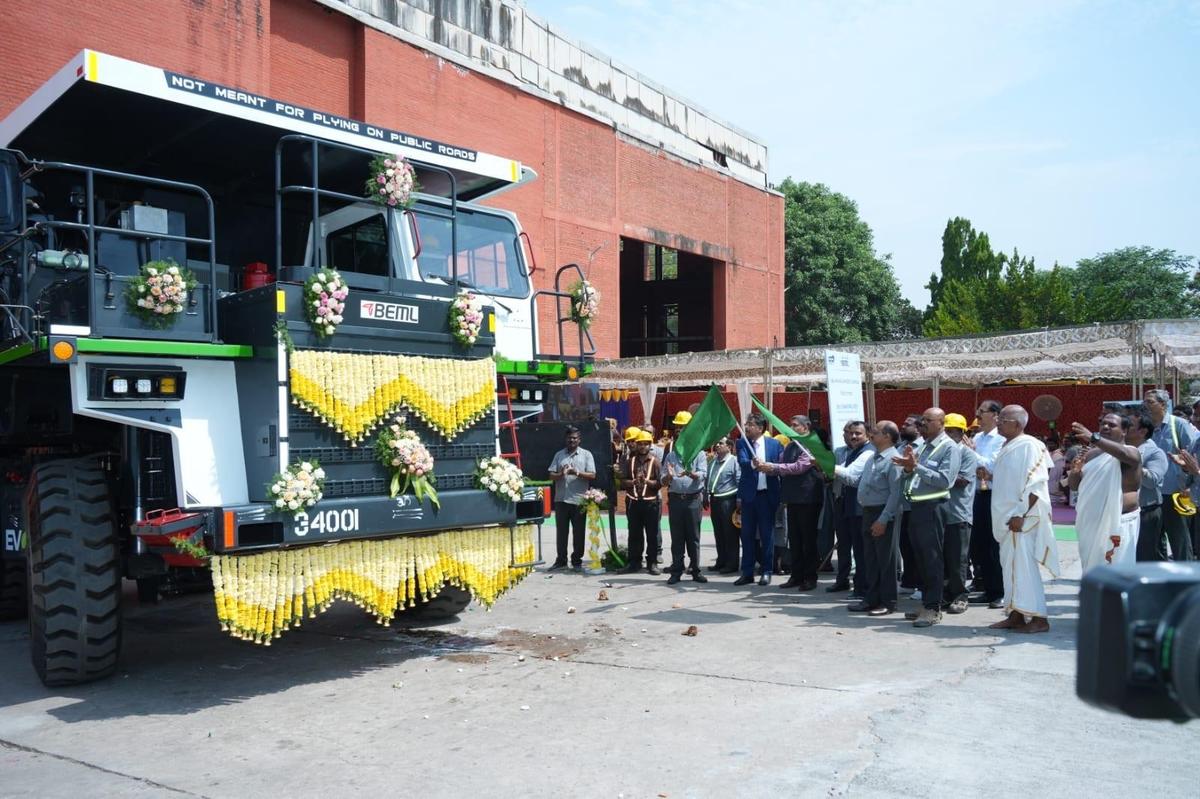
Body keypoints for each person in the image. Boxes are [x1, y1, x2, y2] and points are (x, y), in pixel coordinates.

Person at [988, 405, 1060, 633]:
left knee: (1024, 569)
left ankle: (1039, 618)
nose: (998, 422)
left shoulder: (1030, 445)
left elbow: (1036, 484)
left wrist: (1020, 514)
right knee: (1011, 568)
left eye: (1003, 419)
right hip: (1007, 520)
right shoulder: (1008, 446)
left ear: (1017, 424)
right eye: (998, 418)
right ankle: (1017, 614)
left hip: (1022, 520)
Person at [894, 407, 961, 628]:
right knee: (919, 558)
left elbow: (945, 481)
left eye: (928, 420)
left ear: (941, 423)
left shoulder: (948, 447)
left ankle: (933, 608)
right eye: (921, 420)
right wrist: (907, 468)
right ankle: (927, 603)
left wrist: (916, 467)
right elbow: (913, 473)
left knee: (932, 558)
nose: (922, 424)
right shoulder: (922, 446)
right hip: (917, 507)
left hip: (934, 507)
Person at [1068, 414, 1142, 571]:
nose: (1105, 427)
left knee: (1118, 570)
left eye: (1112, 425)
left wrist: (1093, 438)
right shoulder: (1091, 454)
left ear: (1124, 431)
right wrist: (1075, 472)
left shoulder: (1131, 452)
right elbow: (1075, 486)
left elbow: (1126, 456)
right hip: (1091, 521)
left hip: (1119, 521)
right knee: (1092, 569)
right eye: (1102, 423)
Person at [847, 422, 904, 616]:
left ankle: (888, 601)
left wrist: (884, 519)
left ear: (888, 436)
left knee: (885, 560)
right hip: (868, 511)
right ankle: (871, 598)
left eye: (876, 432)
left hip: (883, 513)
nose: (871, 434)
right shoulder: (873, 457)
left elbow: (896, 494)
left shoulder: (894, 459)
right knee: (870, 558)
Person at [1144, 389, 1196, 560]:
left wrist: (1190, 485)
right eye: (1144, 401)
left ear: (1164, 404)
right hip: (1151, 495)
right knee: (1154, 542)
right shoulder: (1146, 427)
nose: (1146, 405)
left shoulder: (1178, 425)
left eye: (1150, 402)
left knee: (1179, 540)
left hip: (1174, 492)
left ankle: (1186, 580)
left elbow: (1194, 455)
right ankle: (1161, 577)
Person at [734, 414, 784, 586]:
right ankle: (747, 572)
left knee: (767, 535)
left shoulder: (774, 444)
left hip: (767, 495)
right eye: (746, 424)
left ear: (760, 428)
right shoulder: (742, 443)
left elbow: (780, 466)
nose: (747, 427)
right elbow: (742, 462)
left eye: (750, 424)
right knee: (746, 535)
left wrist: (770, 467)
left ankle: (766, 571)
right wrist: (754, 464)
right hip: (749, 497)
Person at [778, 415, 825, 590]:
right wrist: (770, 467)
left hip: (808, 498)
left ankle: (810, 577)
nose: (791, 427)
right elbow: (782, 466)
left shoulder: (812, 444)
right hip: (792, 498)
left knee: (808, 539)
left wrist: (774, 467)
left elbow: (800, 467)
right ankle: (796, 576)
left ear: (806, 427)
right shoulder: (790, 446)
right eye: (790, 424)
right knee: (794, 539)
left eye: (795, 425)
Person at [662, 410, 708, 585]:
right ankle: (676, 570)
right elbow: (663, 478)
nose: (679, 431)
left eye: (683, 428)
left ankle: (695, 570)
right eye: (677, 428)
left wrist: (692, 474)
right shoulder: (672, 455)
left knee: (693, 537)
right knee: (677, 537)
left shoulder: (699, 453)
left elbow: (703, 474)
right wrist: (668, 477)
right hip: (676, 500)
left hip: (692, 500)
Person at [968, 400, 1006, 609]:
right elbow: (976, 466)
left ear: (995, 415)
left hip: (994, 494)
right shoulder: (977, 437)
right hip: (976, 494)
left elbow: (990, 465)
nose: (978, 415)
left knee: (994, 545)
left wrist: (970, 453)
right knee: (979, 545)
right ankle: (988, 588)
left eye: (982, 412)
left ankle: (1000, 591)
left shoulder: (1001, 439)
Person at [829, 421, 873, 596]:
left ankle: (862, 587)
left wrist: (826, 464)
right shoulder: (851, 451)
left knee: (861, 550)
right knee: (847, 545)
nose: (853, 436)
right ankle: (850, 583)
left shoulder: (867, 452)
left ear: (867, 435)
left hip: (860, 507)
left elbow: (851, 476)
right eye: (850, 433)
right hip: (847, 504)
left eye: (858, 433)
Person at [547, 426, 597, 571]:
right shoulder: (559, 455)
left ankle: (576, 561)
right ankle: (561, 560)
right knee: (561, 532)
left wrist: (577, 473)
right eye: (569, 438)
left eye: (575, 438)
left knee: (579, 532)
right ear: (566, 439)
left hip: (579, 500)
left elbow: (593, 475)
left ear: (579, 440)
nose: (572, 440)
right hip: (561, 500)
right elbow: (551, 475)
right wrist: (561, 474)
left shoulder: (586, 455)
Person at [942, 413, 977, 614]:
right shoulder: (941, 452)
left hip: (958, 514)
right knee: (942, 559)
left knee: (958, 560)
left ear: (962, 434)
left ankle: (960, 596)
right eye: (946, 431)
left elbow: (963, 480)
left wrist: (939, 477)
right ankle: (945, 595)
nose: (948, 435)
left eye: (953, 431)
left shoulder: (967, 454)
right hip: (940, 514)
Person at [618, 430, 662, 575]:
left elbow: (660, 483)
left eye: (645, 444)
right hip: (634, 503)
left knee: (652, 534)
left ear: (650, 445)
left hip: (651, 503)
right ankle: (634, 563)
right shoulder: (630, 462)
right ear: (636, 445)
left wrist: (647, 482)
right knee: (634, 534)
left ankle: (652, 563)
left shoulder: (655, 462)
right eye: (640, 444)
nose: (643, 446)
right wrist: (633, 482)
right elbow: (622, 482)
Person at [1126, 411, 1168, 562]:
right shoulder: (1123, 449)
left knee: (1146, 557)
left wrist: (1134, 463)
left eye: (1129, 425)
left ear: (1143, 431)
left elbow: (1152, 481)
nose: (1124, 427)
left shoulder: (1155, 453)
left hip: (1146, 512)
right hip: (1125, 512)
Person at [896, 414, 925, 596]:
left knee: (918, 545)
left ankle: (921, 584)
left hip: (917, 503)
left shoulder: (922, 447)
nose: (903, 425)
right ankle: (908, 581)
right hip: (901, 504)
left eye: (908, 424)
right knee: (904, 544)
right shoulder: (900, 447)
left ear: (918, 428)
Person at [704, 436, 741, 574]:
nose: (717, 445)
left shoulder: (734, 462)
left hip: (728, 501)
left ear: (729, 447)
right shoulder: (713, 462)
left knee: (730, 534)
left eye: (721, 443)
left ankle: (732, 564)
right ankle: (721, 561)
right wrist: (705, 496)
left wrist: (739, 501)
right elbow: (708, 480)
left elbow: (738, 481)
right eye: (717, 442)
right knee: (719, 533)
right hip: (715, 500)